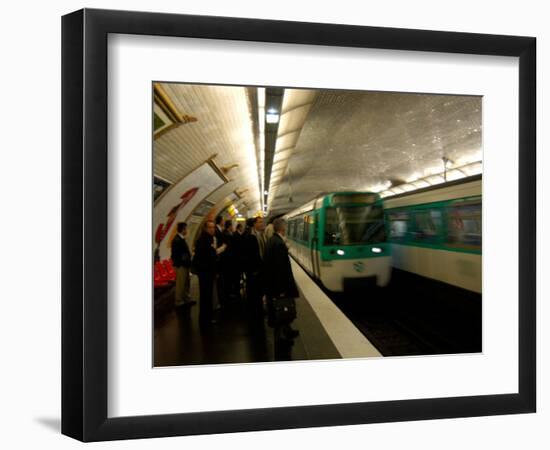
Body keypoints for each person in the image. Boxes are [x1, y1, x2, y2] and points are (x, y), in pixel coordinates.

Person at [263, 218, 300, 342]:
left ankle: (287, 330)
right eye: (286, 227)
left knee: (282, 308)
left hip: (274, 283)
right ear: (282, 229)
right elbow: (279, 268)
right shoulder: (278, 244)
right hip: (280, 284)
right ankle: (281, 336)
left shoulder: (272, 240)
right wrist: (282, 289)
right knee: (282, 308)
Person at [192, 220, 219, 328]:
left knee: (207, 296)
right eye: (210, 227)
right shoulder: (204, 240)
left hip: (207, 272)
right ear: (205, 229)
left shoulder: (206, 239)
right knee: (205, 296)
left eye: (213, 227)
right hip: (205, 272)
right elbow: (207, 257)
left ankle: (206, 318)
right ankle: (205, 320)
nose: (212, 229)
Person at [243, 216, 265, 315]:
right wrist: (253, 269)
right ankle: (254, 311)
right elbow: (248, 255)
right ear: (254, 224)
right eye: (259, 222)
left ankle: (258, 308)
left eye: (262, 222)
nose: (261, 224)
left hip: (258, 269)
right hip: (253, 270)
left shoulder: (259, 234)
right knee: (253, 291)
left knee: (258, 291)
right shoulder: (250, 236)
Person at [170, 222, 196, 308]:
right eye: (186, 229)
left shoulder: (181, 239)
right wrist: (184, 261)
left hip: (185, 264)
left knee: (186, 283)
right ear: (183, 229)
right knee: (180, 284)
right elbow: (176, 254)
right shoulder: (177, 240)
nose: (187, 230)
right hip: (181, 265)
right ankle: (179, 301)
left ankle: (186, 298)